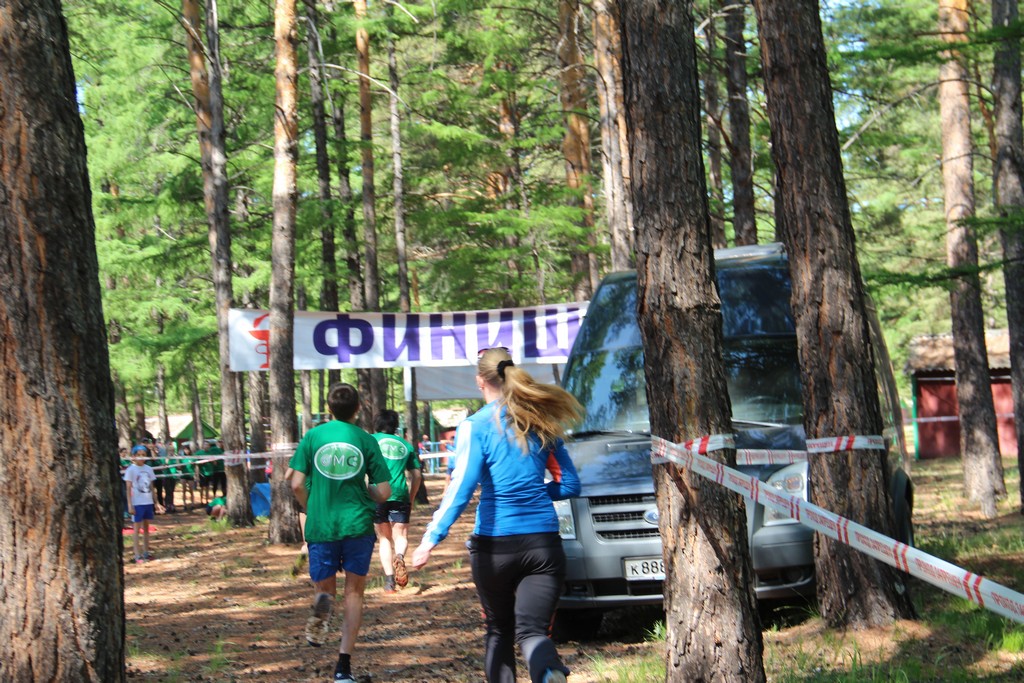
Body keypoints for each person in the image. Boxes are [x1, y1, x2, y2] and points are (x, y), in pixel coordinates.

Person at [411, 347, 583, 683]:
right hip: (543, 545)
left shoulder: (475, 426)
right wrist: (534, 493)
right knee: (533, 631)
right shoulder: (541, 421)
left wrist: (431, 538)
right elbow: (570, 485)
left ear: (480, 381)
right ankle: (548, 672)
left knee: (499, 630)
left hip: (495, 548)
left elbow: (461, 488)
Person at [288, 382, 392, 683]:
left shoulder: (313, 436)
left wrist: (311, 506)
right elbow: (384, 491)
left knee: (325, 590)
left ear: (328, 408)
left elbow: (295, 483)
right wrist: (367, 492)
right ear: (358, 408)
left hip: (322, 526)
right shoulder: (365, 439)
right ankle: (343, 668)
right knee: (354, 593)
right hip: (357, 525)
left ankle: (321, 609)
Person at [371, 409, 423, 594]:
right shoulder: (405, 445)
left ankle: (389, 582)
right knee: (400, 536)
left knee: (384, 538)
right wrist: (411, 497)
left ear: (377, 424)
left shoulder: (371, 440)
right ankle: (399, 556)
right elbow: (417, 475)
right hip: (400, 494)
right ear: (395, 426)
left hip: (377, 493)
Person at [124, 444, 159, 564]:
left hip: (148, 501)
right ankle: (136, 554)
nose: (141, 457)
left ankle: (146, 552)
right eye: (138, 455)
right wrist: (130, 505)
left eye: (143, 455)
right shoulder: (131, 470)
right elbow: (128, 488)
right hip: (137, 503)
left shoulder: (149, 469)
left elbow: (152, 486)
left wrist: (156, 502)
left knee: (146, 528)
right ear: (134, 456)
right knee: (136, 529)